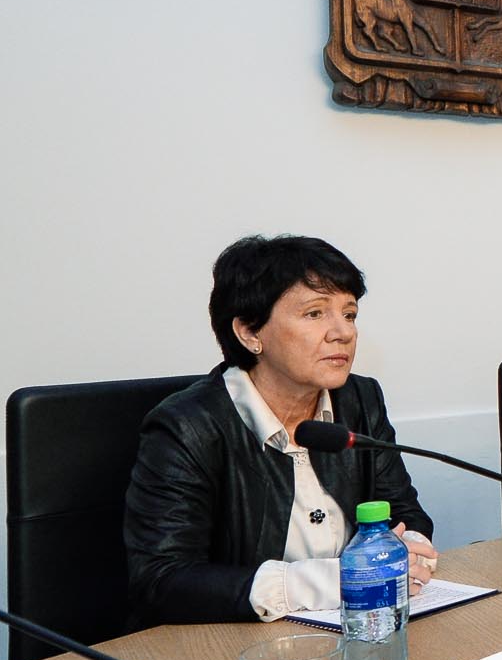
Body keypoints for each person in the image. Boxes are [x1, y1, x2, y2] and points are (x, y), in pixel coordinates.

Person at [124, 236, 437, 626]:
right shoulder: (187, 426)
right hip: (235, 644)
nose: (342, 332)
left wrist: (409, 550)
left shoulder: (360, 400)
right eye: (314, 313)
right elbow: (161, 580)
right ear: (249, 332)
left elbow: (404, 512)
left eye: (350, 314)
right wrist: (331, 582)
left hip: (357, 628)